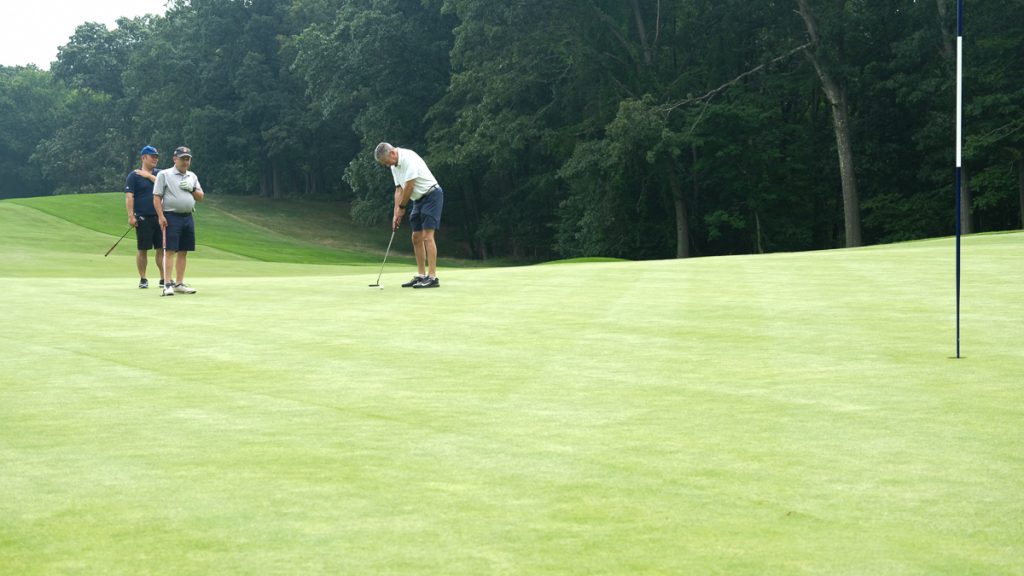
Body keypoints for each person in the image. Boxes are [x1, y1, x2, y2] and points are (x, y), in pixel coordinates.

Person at [373, 142, 444, 288]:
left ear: (392, 153)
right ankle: (421, 276)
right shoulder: (394, 167)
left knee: (427, 236)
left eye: (386, 161)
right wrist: (396, 214)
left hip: (432, 195)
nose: (387, 165)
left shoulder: (408, 158)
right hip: (418, 199)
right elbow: (399, 190)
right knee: (416, 237)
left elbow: (409, 186)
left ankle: (432, 277)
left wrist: (402, 207)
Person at [153, 146, 204, 297]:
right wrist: (160, 216)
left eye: (188, 159)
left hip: (188, 217)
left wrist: (192, 189)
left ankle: (179, 283)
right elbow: (156, 197)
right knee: (170, 251)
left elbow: (201, 197)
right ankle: (167, 284)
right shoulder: (164, 174)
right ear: (175, 159)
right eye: (182, 159)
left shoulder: (192, 176)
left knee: (183, 251)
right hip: (171, 216)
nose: (185, 162)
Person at [124, 145, 164, 289]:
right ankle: (143, 278)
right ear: (143, 158)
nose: (155, 159)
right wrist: (131, 216)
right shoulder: (133, 176)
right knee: (143, 249)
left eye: (156, 157)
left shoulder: (160, 174)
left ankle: (163, 278)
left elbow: (165, 186)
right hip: (143, 217)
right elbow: (129, 197)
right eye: (152, 156)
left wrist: (148, 176)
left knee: (161, 249)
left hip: (160, 217)